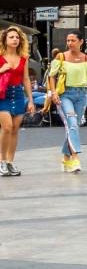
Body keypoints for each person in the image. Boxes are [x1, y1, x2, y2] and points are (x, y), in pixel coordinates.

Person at [42, 31, 87, 174]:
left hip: (81, 95)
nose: (69, 43)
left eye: (73, 40)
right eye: (68, 40)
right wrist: (54, 92)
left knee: (74, 126)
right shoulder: (61, 57)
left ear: (81, 42)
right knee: (72, 124)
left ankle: (66, 157)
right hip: (64, 95)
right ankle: (75, 158)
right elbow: (52, 76)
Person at [0, 24, 29, 177]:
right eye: (11, 37)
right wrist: (1, 70)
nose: (15, 39)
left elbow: (26, 79)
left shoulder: (23, 58)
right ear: (5, 40)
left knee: (15, 129)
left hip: (18, 94)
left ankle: (10, 162)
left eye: (17, 37)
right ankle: (2, 161)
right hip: (2, 94)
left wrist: (31, 100)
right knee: (7, 127)